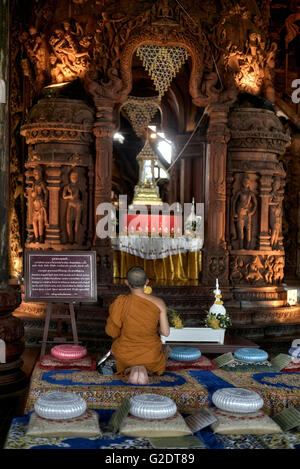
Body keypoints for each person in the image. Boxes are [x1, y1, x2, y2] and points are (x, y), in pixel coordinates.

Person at [105, 266, 170, 385]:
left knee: (116, 355)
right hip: (151, 356)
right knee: (164, 353)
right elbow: (165, 332)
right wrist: (155, 328)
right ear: (147, 282)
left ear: (126, 282)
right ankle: (145, 368)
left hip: (124, 355)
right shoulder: (159, 303)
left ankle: (130, 368)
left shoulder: (121, 302)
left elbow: (112, 332)